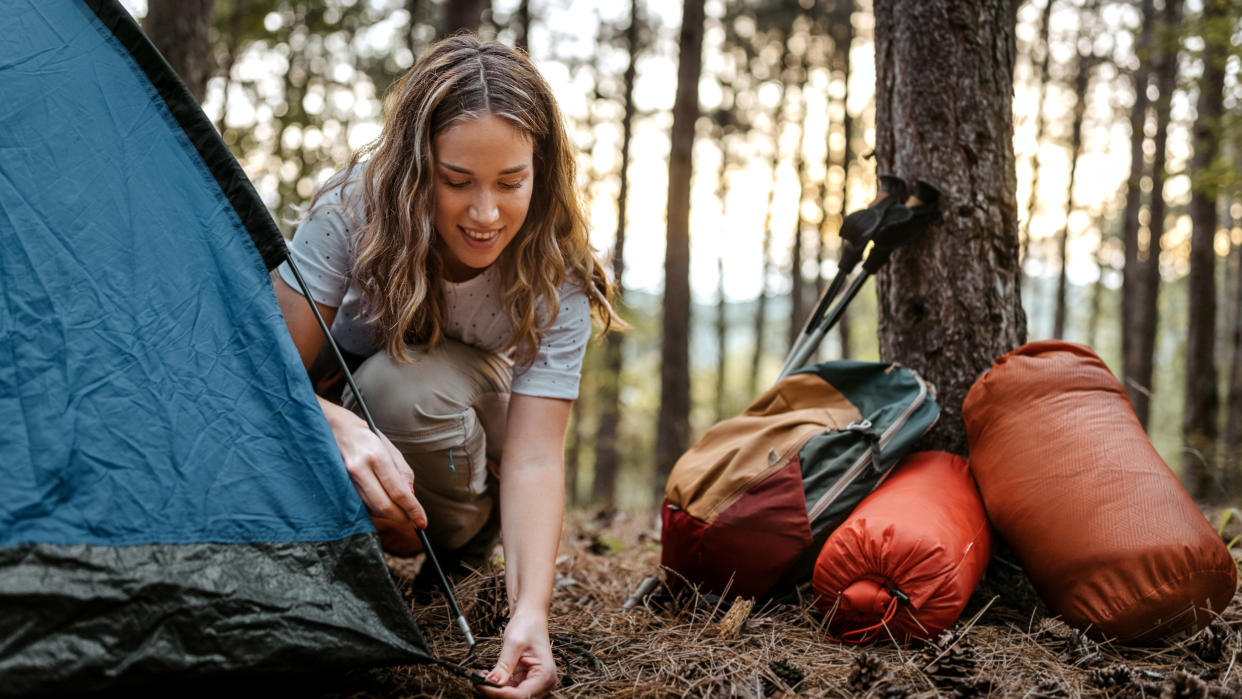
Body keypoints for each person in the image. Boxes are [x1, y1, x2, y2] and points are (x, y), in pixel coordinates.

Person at [273, 34, 622, 698]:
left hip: (449, 427)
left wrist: (530, 615)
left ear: (541, 171)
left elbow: (536, 457)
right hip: (334, 419)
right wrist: (340, 428)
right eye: (456, 181)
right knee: (367, 396)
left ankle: (459, 539)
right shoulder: (352, 208)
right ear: (412, 165)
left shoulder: (559, 274)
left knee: (400, 389)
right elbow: (260, 376)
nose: (485, 214)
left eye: (511, 182)